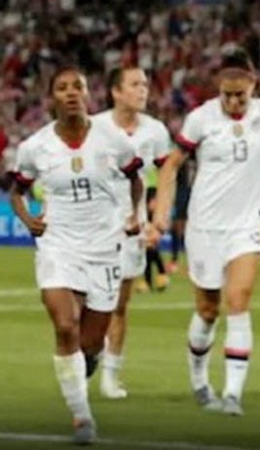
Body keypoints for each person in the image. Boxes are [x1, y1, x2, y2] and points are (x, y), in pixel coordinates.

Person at [149, 51, 260, 417]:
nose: (234, 102)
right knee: (207, 310)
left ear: (254, 85)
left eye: (241, 95)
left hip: (246, 226)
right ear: (218, 87)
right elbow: (172, 164)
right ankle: (199, 379)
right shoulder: (201, 119)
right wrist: (161, 212)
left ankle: (233, 393)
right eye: (227, 95)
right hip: (205, 227)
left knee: (238, 300)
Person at [9, 64, 143, 444]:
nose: (71, 93)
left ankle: (88, 362)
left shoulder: (112, 139)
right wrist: (28, 219)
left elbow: (135, 180)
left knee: (90, 343)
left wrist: (135, 214)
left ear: (87, 94)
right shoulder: (35, 146)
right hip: (58, 244)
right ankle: (82, 417)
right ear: (52, 97)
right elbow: (17, 191)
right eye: (62, 88)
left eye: (77, 87)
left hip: (104, 247)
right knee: (65, 325)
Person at [96, 66, 171, 400]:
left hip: (131, 227)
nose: (143, 90)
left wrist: (159, 219)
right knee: (84, 301)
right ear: (116, 91)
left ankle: (110, 376)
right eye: (135, 84)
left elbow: (167, 174)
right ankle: (88, 351)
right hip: (92, 226)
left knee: (119, 304)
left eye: (145, 84)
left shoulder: (155, 131)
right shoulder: (94, 127)